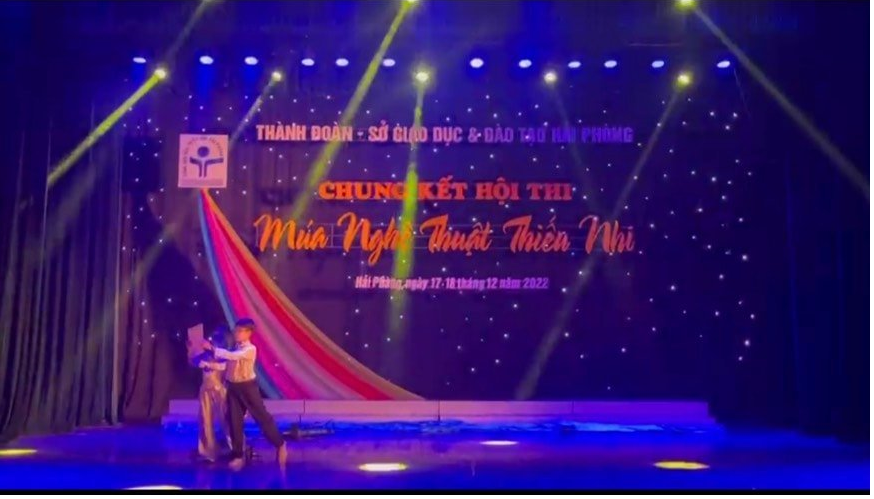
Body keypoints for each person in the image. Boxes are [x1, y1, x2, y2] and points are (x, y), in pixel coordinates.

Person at [204, 318, 287, 469]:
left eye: (240, 331)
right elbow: (227, 364)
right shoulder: (235, 347)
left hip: (248, 388)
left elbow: (233, 356)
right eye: (236, 330)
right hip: (233, 388)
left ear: (249, 333)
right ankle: (238, 455)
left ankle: (280, 444)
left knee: (262, 418)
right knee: (234, 421)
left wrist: (212, 348)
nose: (236, 333)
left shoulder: (250, 349)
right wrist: (210, 364)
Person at [188, 326, 232, 462]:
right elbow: (194, 361)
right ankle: (208, 451)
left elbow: (223, 366)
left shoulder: (223, 355)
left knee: (226, 420)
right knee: (205, 421)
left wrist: (209, 363)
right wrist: (191, 348)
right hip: (205, 391)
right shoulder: (204, 354)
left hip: (219, 390)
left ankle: (235, 449)